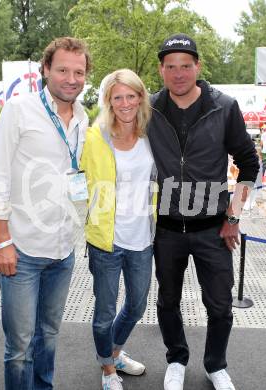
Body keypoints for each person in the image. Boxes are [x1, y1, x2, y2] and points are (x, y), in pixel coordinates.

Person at [147, 33, 259, 390]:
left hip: (214, 228)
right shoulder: (148, 109)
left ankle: (215, 365)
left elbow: (249, 164)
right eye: (171, 67)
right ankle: (177, 359)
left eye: (185, 65)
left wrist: (234, 217)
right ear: (161, 71)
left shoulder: (224, 106)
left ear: (198, 66)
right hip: (166, 229)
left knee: (221, 304)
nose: (178, 73)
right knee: (167, 300)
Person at [0, 37, 90, 389]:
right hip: (22, 249)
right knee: (20, 347)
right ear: (46, 70)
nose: (71, 79)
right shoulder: (18, 110)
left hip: (62, 250)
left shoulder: (83, 116)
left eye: (78, 71)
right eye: (62, 70)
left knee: (49, 336)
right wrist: (2, 242)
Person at [80, 69, 157, 390]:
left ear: (141, 97)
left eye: (131, 95)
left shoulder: (153, 133)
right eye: (117, 97)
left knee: (137, 305)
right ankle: (108, 369)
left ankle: (114, 351)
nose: (125, 103)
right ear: (108, 101)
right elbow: (69, 171)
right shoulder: (94, 135)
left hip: (143, 239)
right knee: (103, 312)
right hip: (105, 240)